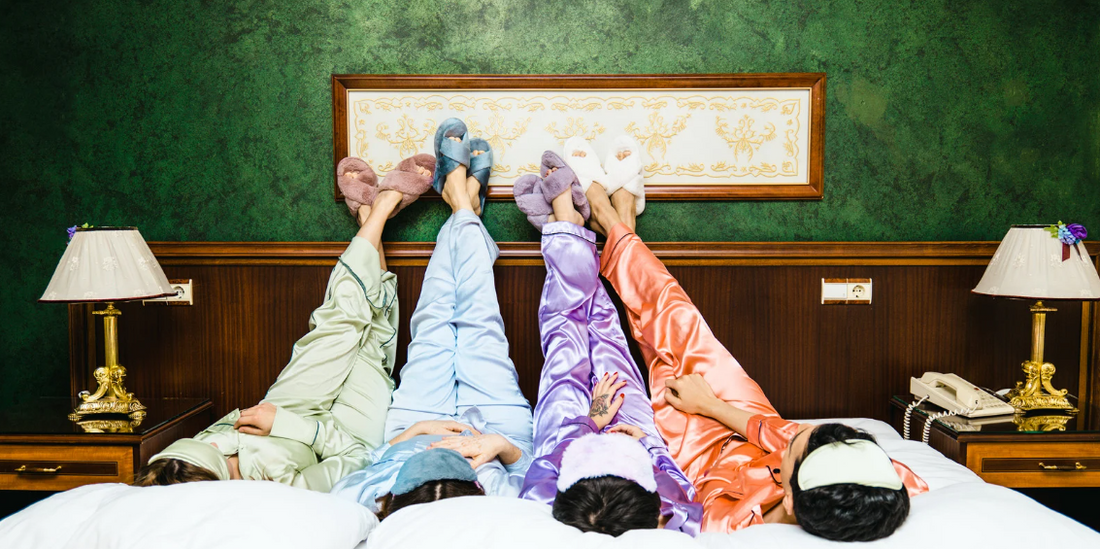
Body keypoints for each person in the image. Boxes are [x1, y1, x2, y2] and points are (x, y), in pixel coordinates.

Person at [583, 168, 929, 541]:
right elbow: (789, 434)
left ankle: (621, 229)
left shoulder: (725, 525)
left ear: (792, 499)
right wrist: (712, 406)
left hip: (698, 453)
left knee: (658, 355)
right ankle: (613, 221)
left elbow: (678, 495)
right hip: (746, 417)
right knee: (679, 320)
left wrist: (665, 438)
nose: (803, 432)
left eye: (798, 446)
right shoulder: (879, 484)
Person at [135, 157, 436, 491]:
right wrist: (292, 426)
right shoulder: (279, 489)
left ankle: (376, 213)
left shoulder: (179, 465)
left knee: (339, 324)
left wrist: (240, 431)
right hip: (343, 430)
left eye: (216, 451)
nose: (229, 455)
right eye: (227, 466)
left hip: (290, 403)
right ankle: (375, 213)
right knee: (371, 347)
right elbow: (360, 455)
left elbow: (213, 440)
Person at [330, 118, 534, 519]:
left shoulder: (366, 504)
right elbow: (535, 472)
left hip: (415, 421)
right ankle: (462, 203)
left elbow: (368, 464)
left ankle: (463, 203)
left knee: (433, 320)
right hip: (498, 426)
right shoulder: (505, 511)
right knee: (480, 318)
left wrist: (417, 433)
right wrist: (500, 447)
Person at [514, 149, 702, 537]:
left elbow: (542, 468)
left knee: (565, 336)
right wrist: (646, 444)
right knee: (605, 333)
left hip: (568, 436)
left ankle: (567, 228)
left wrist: (589, 424)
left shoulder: (544, 503)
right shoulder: (673, 515)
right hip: (633, 435)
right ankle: (568, 230)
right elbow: (682, 486)